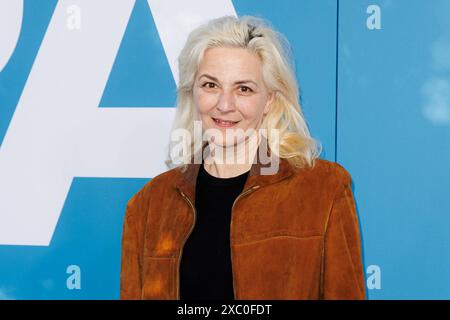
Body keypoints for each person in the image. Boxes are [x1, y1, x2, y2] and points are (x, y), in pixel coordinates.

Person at [120, 15, 366, 300]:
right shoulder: (148, 205)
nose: (225, 105)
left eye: (244, 89)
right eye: (210, 85)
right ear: (193, 93)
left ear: (270, 100)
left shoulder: (325, 189)